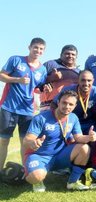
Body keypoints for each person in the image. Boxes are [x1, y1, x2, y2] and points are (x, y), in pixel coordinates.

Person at [23, 90, 96, 192]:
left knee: (84, 148)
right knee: (36, 176)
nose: (67, 106)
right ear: (58, 102)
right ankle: (33, 176)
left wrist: (89, 137)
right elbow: (27, 139)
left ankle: (72, 182)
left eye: (71, 104)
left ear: (75, 106)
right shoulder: (41, 117)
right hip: (39, 156)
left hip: (59, 156)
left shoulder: (73, 118)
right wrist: (33, 142)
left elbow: (78, 137)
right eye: (64, 103)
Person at [0, 37, 48, 172]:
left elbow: (38, 87)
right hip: (9, 107)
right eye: (36, 47)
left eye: (41, 49)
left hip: (27, 110)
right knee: (3, 141)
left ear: (43, 51)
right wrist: (17, 79)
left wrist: (45, 88)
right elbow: (1, 75)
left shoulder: (42, 69)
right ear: (29, 47)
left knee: (25, 142)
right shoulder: (15, 60)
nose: (38, 51)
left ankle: (26, 172)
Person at [40, 44, 80, 110]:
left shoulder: (79, 72)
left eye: (73, 54)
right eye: (67, 53)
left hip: (68, 106)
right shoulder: (50, 64)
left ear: (76, 57)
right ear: (61, 55)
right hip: (48, 104)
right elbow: (37, 81)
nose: (70, 56)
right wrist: (51, 78)